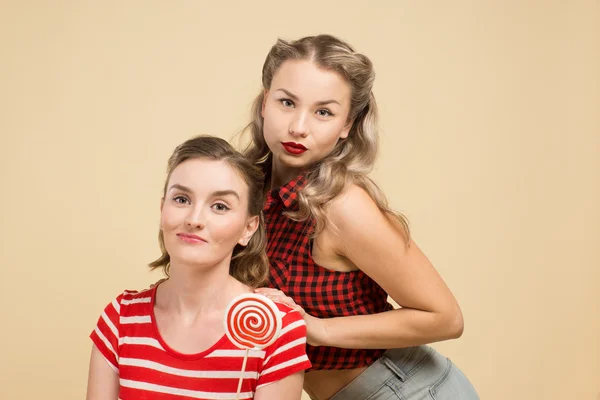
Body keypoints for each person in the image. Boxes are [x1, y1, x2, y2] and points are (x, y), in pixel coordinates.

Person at [242, 35, 480, 399]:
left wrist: (317, 330)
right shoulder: (247, 192)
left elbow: (446, 318)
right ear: (264, 103)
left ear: (347, 125)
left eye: (324, 112)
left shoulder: (341, 206)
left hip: (404, 390)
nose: (298, 127)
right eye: (287, 102)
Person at [86, 135, 311, 400]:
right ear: (162, 210)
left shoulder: (278, 329)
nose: (194, 220)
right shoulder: (120, 320)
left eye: (219, 206)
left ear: (248, 228)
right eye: (181, 199)